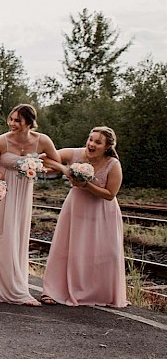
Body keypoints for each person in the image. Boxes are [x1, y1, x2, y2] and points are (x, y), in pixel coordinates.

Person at [0, 104, 59, 306]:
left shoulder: (43, 140)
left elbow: (55, 164)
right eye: (11, 119)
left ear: (29, 123)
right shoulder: (1, 141)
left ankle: (16, 285)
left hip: (23, 193)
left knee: (17, 236)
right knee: (2, 237)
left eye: (17, 120)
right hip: (2, 191)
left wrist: (37, 167)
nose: (12, 124)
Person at [40, 127, 127, 308]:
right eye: (90, 139)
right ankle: (54, 291)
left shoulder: (113, 164)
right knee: (68, 247)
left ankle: (99, 292)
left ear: (107, 147)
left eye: (97, 142)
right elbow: (45, 156)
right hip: (76, 208)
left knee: (105, 252)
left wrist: (86, 184)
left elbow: (110, 194)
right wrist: (63, 169)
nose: (91, 144)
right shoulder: (76, 153)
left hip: (102, 212)